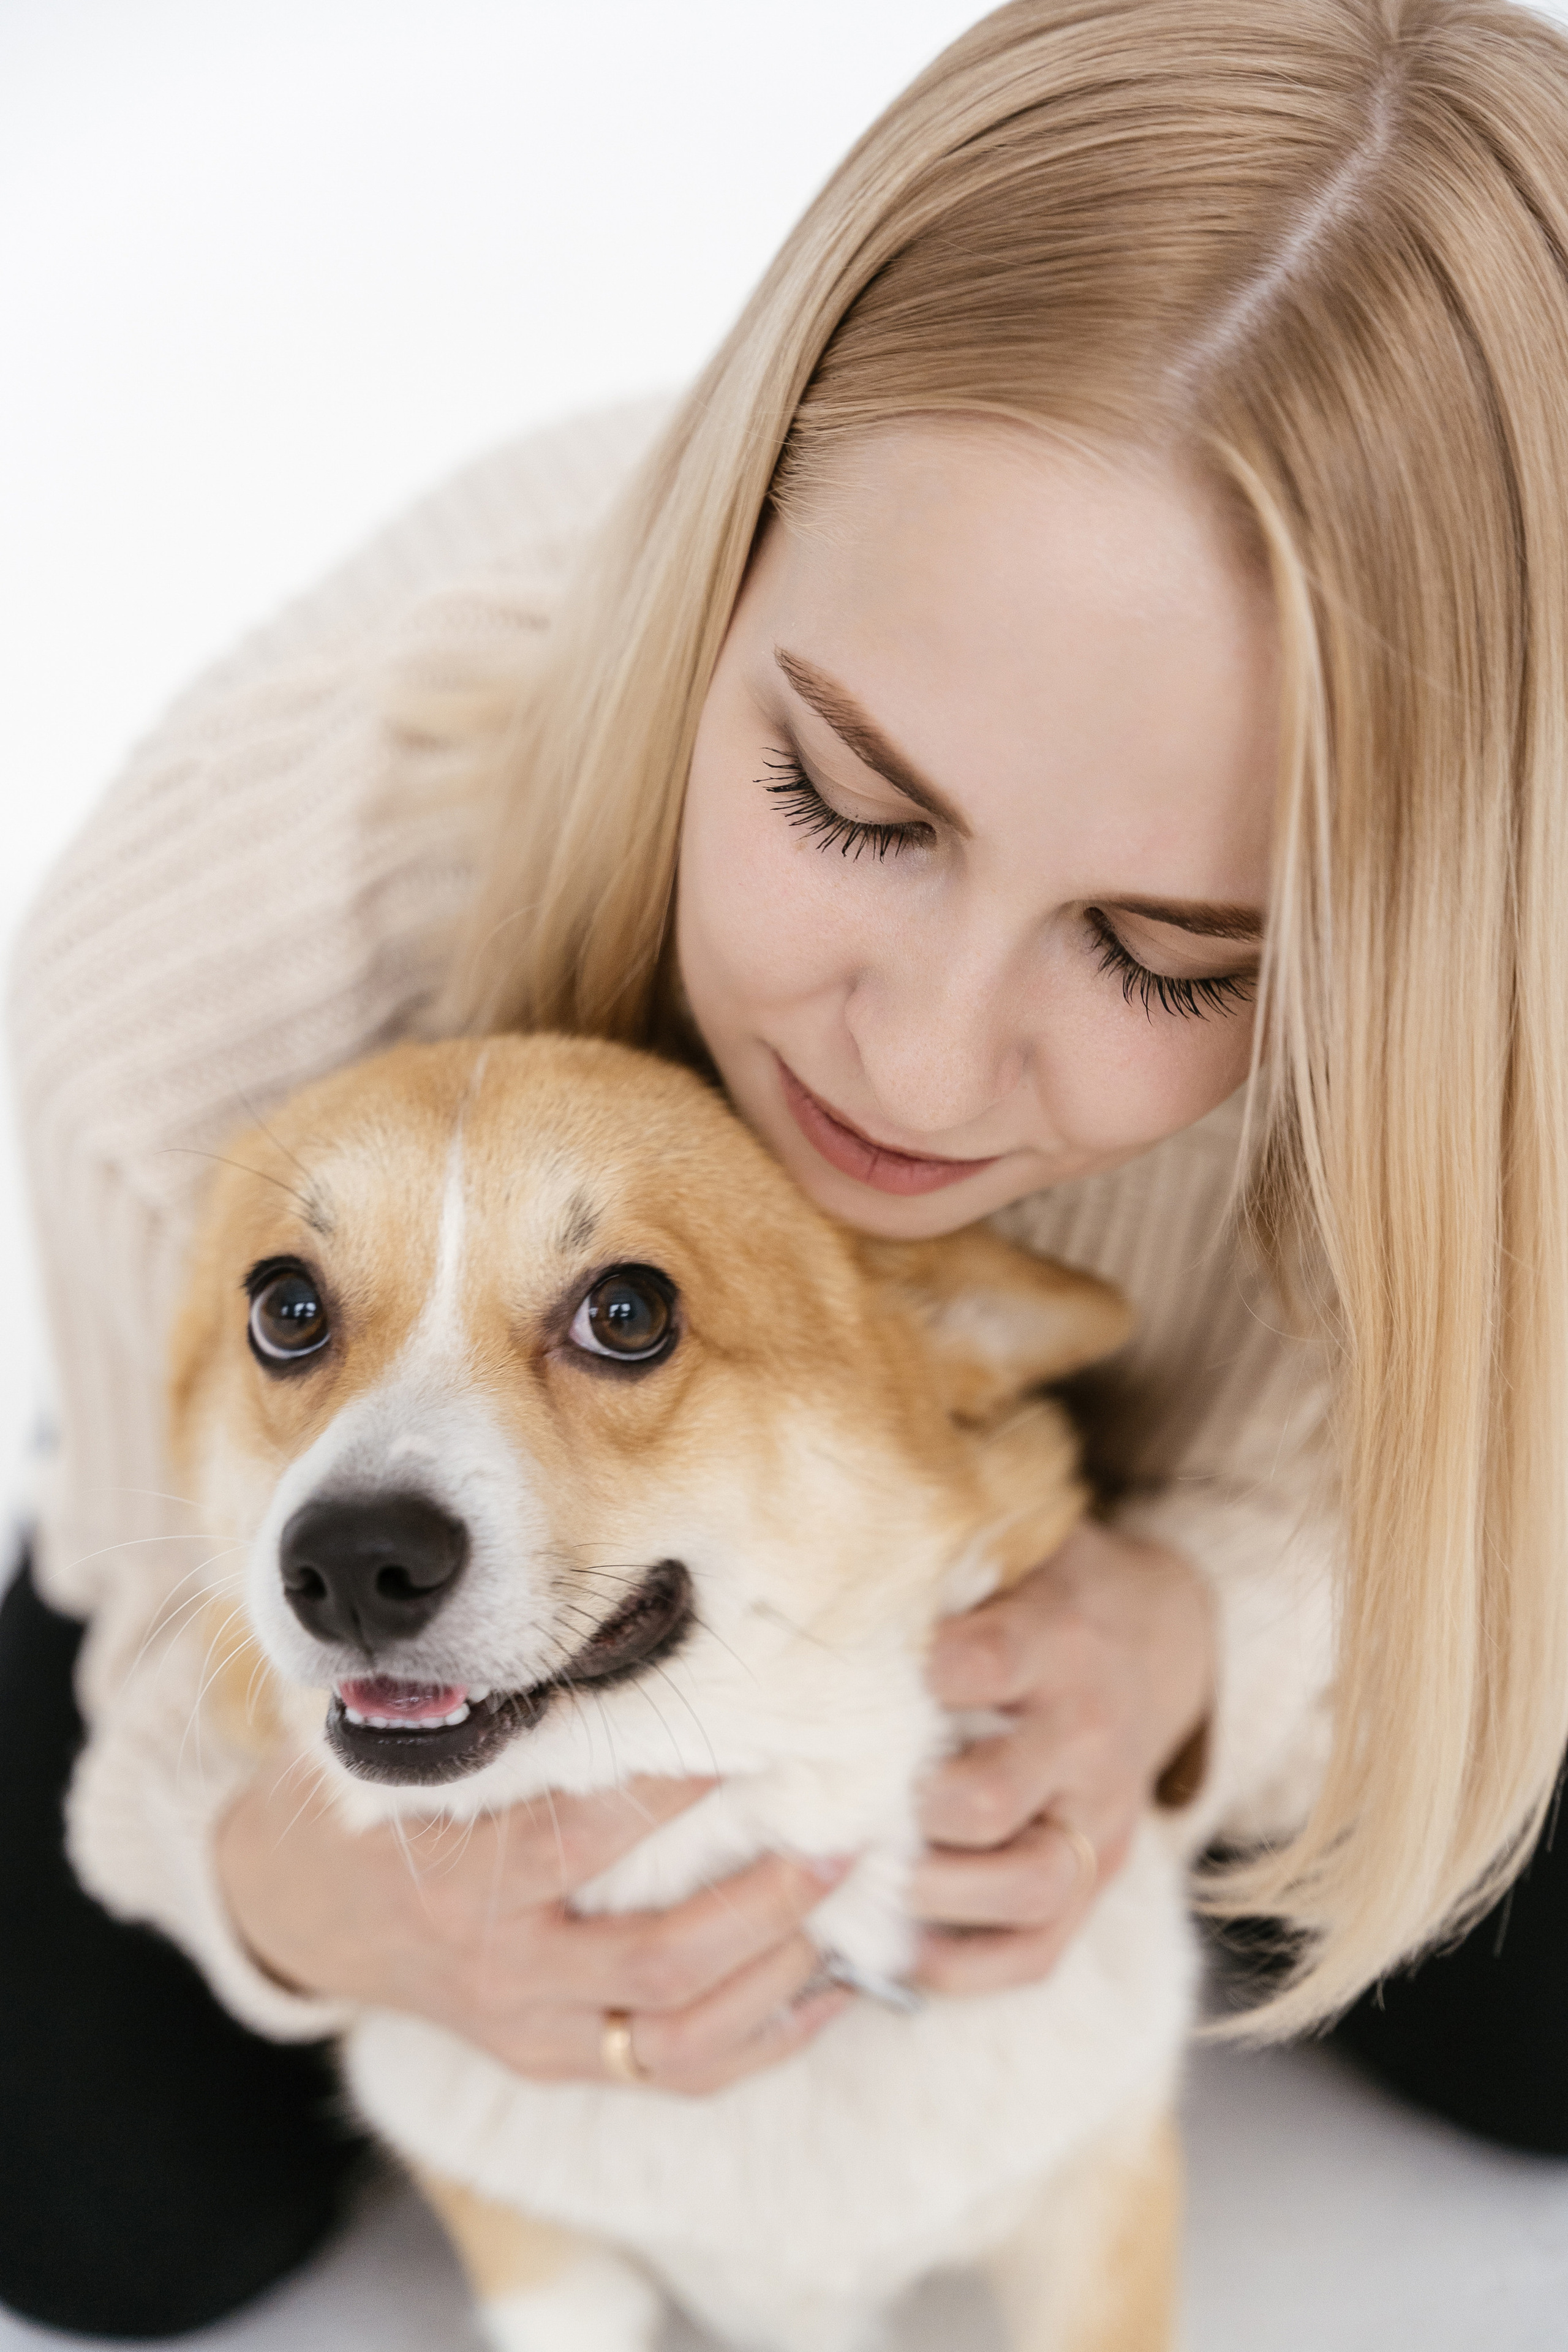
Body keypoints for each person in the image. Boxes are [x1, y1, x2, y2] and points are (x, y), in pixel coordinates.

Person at [7, 0, 1568, 2335]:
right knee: (88, 2191)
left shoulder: (1492, 1007)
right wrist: (344, 1901)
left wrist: (1199, 1641)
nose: (927, 1068)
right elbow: (183, 1625)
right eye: (852, 801)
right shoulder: (230, 930)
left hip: (1061, 1499)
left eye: (1166, 952)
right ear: (721, 565)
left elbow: (1457, 1482)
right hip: (413, 1585)